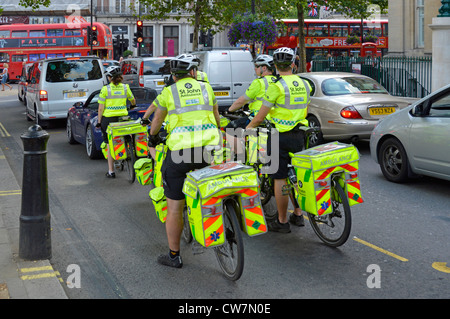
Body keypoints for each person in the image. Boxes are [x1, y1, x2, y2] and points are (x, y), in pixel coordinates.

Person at [142, 54, 221, 268]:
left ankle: (174, 255)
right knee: (212, 191)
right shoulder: (207, 88)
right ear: (193, 72)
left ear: (174, 76)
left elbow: (157, 119)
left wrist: (152, 136)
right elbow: (216, 117)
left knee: (174, 207)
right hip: (208, 150)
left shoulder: (169, 92)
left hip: (180, 154)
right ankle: (215, 228)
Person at [246, 47, 311, 233]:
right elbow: (306, 110)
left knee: (280, 178)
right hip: (299, 135)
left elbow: (259, 117)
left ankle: (282, 221)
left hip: (279, 137)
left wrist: (248, 129)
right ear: (293, 64)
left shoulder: (276, 86)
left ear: (275, 66)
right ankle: (298, 213)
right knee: (296, 175)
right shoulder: (305, 84)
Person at [225, 54, 276, 156]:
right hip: (274, 120)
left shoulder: (259, 83)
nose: (255, 68)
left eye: (257, 66)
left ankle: (241, 155)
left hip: (258, 119)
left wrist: (229, 110)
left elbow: (241, 101)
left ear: (264, 68)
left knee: (229, 128)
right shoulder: (277, 81)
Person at [97, 69, 136, 178]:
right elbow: (133, 100)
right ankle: (128, 151)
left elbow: (101, 108)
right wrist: (132, 106)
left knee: (109, 144)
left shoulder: (105, 89)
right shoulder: (125, 87)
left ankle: (111, 171)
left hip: (108, 120)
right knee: (127, 135)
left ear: (109, 77)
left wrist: (99, 122)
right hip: (123, 118)